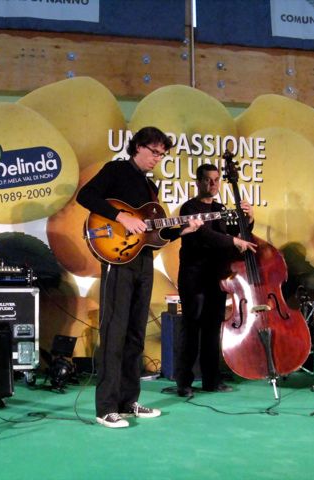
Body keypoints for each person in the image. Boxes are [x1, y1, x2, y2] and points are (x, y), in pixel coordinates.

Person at [76, 126, 202, 428]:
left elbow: (154, 237)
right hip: (118, 260)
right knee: (114, 331)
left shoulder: (150, 187)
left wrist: (183, 230)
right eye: (154, 152)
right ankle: (106, 407)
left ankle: (128, 401)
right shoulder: (116, 170)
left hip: (143, 262)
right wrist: (121, 216)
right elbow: (86, 195)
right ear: (138, 147)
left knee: (135, 333)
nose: (157, 158)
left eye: (162, 154)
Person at [176, 163, 257, 398]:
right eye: (208, 180)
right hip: (194, 277)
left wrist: (249, 218)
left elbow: (234, 232)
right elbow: (206, 235)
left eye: (216, 179)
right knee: (192, 329)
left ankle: (211, 381)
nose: (213, 184)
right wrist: (234, 242)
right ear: (198, 182)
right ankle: (184, 383)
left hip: (216, 277)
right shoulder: (189, 208)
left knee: (213, 330)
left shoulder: (220, 209)